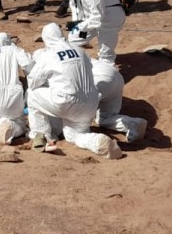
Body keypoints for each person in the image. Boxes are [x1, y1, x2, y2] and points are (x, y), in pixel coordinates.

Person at [26, 23, 122, 159]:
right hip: (90, 103)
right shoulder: (80, 51)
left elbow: (33, 81)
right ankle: (96, 141)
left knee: (32, 95)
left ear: (46, 39)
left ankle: (41, 136)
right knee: (73, 136)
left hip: (66, 102)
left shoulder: (48, 55)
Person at [53, 0, 126, 63]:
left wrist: (80, 26)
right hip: (90, 20)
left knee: (105, 52)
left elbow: (97, 18)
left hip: (110, 19)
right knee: (74, 39)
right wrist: (76, 23)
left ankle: (107, 71)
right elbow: (75, 6)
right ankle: (77, 62)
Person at [91, 57, 149, 142]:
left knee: (73, 118)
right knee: (105, 117)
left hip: (99, 80)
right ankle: (133, 124)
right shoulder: (73, 52)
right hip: (115, 76)